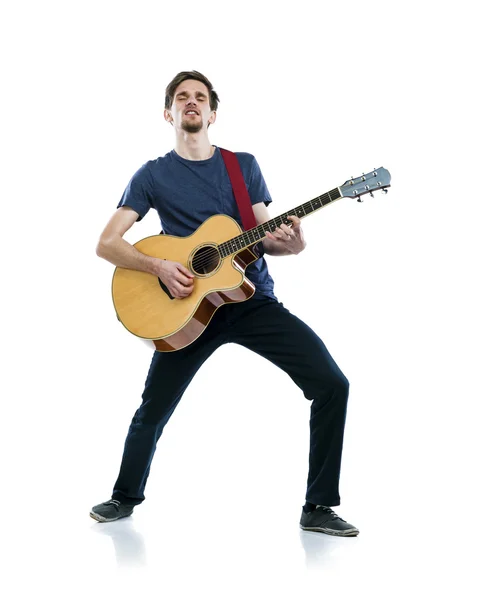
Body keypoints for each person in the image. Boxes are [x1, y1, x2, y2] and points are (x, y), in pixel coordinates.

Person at [91, 70, 358, 536]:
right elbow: (107, 244)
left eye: (199, 97)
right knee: (152, 409)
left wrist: (291, 245)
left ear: (212, 113)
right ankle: (123, 498)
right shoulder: (152, 174)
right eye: (181, 97)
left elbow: (267, 237)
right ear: (168, 113)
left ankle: (318, 507)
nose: (191, 102)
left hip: (252, 300)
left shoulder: (242, 166)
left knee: (332, 383)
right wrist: (158, 268)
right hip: (187, 309)